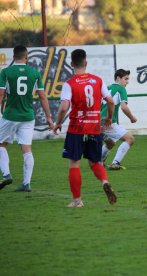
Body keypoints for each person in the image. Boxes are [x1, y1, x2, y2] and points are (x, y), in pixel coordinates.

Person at [53, 49, 116, 208]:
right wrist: (108, 117)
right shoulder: (98, 80)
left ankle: (77, 200)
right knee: (95, 162)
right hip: (94, 126)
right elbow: (110, 101)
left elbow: (63, 107)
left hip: (77, 128)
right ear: (85, 63)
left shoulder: (70, 84)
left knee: (74, 163)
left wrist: (58, 122)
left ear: (72, 63)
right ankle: (105, 181)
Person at [0, 45, 54, 192]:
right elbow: (42, 96)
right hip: (28, 116)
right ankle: (26, 183)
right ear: (26, 57)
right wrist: (49, 118)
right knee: (26, 149)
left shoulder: (6, 72)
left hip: (10, 115)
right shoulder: (34, 73)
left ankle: (6, 174)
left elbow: (1, 94)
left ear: (13, 56)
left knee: (1, 144)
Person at [101, 69, 137, 170]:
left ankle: (98, 162)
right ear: (118, 78)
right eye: (126, 79)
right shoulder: (121, 89)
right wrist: (132, 118)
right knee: (130, 139)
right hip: (108, 122)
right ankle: (115, 163)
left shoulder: (107, 88)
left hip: (97, 123)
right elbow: (124, 107)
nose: (127, 82)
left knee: (110, 143)